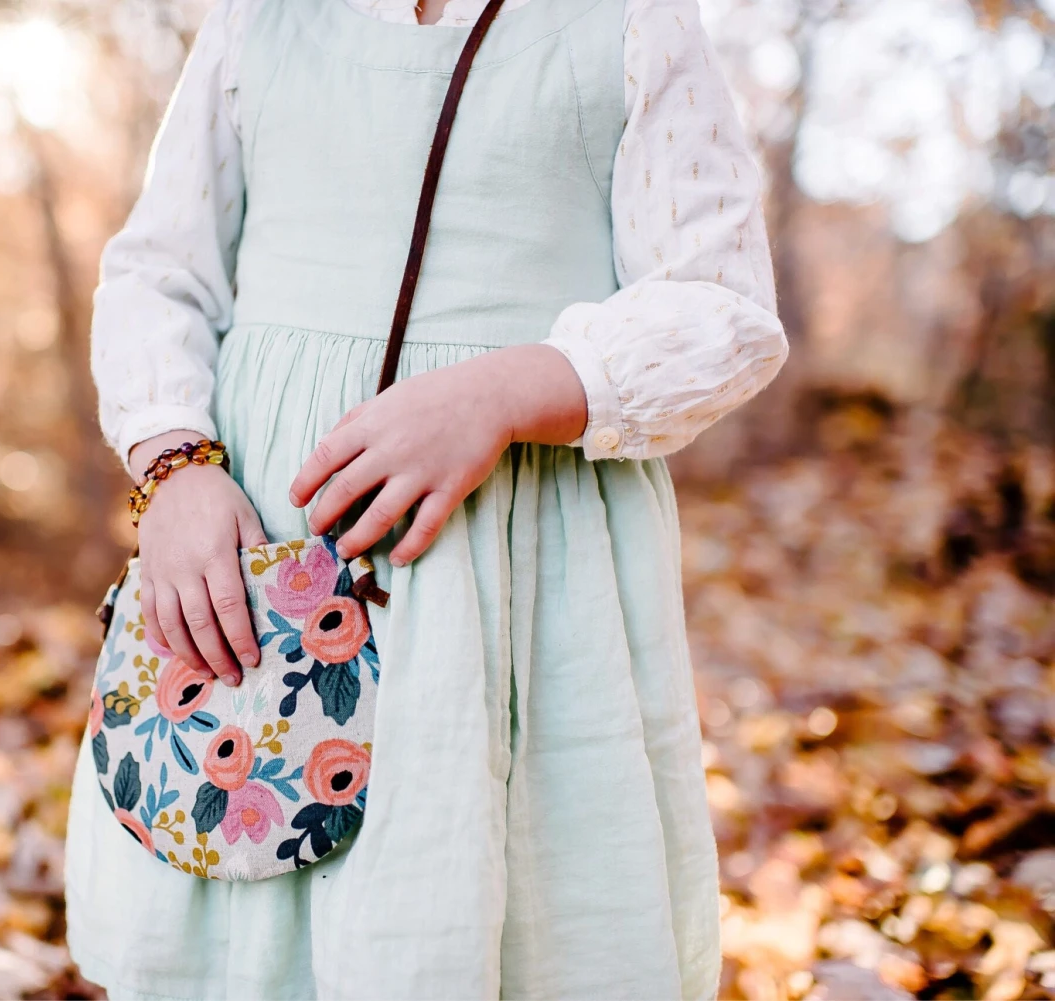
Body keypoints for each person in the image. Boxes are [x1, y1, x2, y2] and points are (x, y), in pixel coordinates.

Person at [65, 0, 787, 997]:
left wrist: (501, 390)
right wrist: (176, 466)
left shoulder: (627, 20)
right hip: (271, 543)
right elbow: (158, 272)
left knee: (511, 912)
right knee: (251, 928)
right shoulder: (262, 21)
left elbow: (723, 306)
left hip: (516, 560)